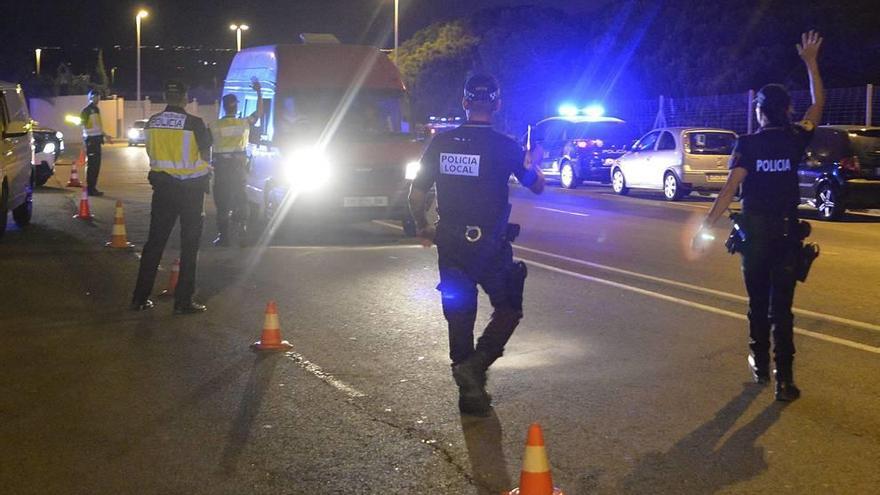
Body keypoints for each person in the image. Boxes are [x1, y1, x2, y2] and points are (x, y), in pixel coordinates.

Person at [693, 31, 824, 402]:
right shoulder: (796, 137)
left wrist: (706, 225)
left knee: (756, 305)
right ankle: (786, 381)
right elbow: (818, 107)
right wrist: (811, 62)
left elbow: (730, 188)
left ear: (759, 110)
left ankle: (760, 366)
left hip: (754, 238)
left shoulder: (747, 145)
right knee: (781, 309)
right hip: (785, 238)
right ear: (786, 111)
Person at [409, 74, 545, 416]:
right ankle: (477, 367)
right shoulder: (506, 146)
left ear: (465, 102)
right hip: (491, 248)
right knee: (508, 307)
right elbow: (537, 186)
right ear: (497, 105)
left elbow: (417, 194)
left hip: (451, 243)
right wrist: (534, 163)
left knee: (459, 314)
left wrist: (423, 227)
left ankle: (468, 391)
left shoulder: (441, 144)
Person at [131, 81, 213, 314]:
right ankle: (183, 301)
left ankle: (139, 298)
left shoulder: (153, 122)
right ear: (185, 98)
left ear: (167, 97)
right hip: (190, 190)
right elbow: (206, 152)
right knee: (189, 245)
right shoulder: (195, 123)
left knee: (155, 243)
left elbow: (150, 152)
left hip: (163, 188)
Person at [209, 78, 263, 246]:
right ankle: (242, 233)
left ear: (224, 106)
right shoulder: (244, 123)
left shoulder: (214, 125)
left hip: (221, 170)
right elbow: (259, 112)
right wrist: (259, 91)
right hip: (239, 169)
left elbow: (204, 145)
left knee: (222, 203)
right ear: (236, 106)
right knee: (241, 200)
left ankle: (223, 237)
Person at [80, 89, 106, 196]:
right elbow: (83, 125)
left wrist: (104, 134)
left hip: (97, 140)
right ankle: (90, 189)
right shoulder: (87, 111)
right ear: (91, 97)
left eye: (99, 96)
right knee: (92, 166)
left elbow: (97, 126)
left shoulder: (96, 110)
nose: (98, 99)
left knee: (96, 166)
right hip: (91, 141)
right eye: (96, 96)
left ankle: (93, 187)